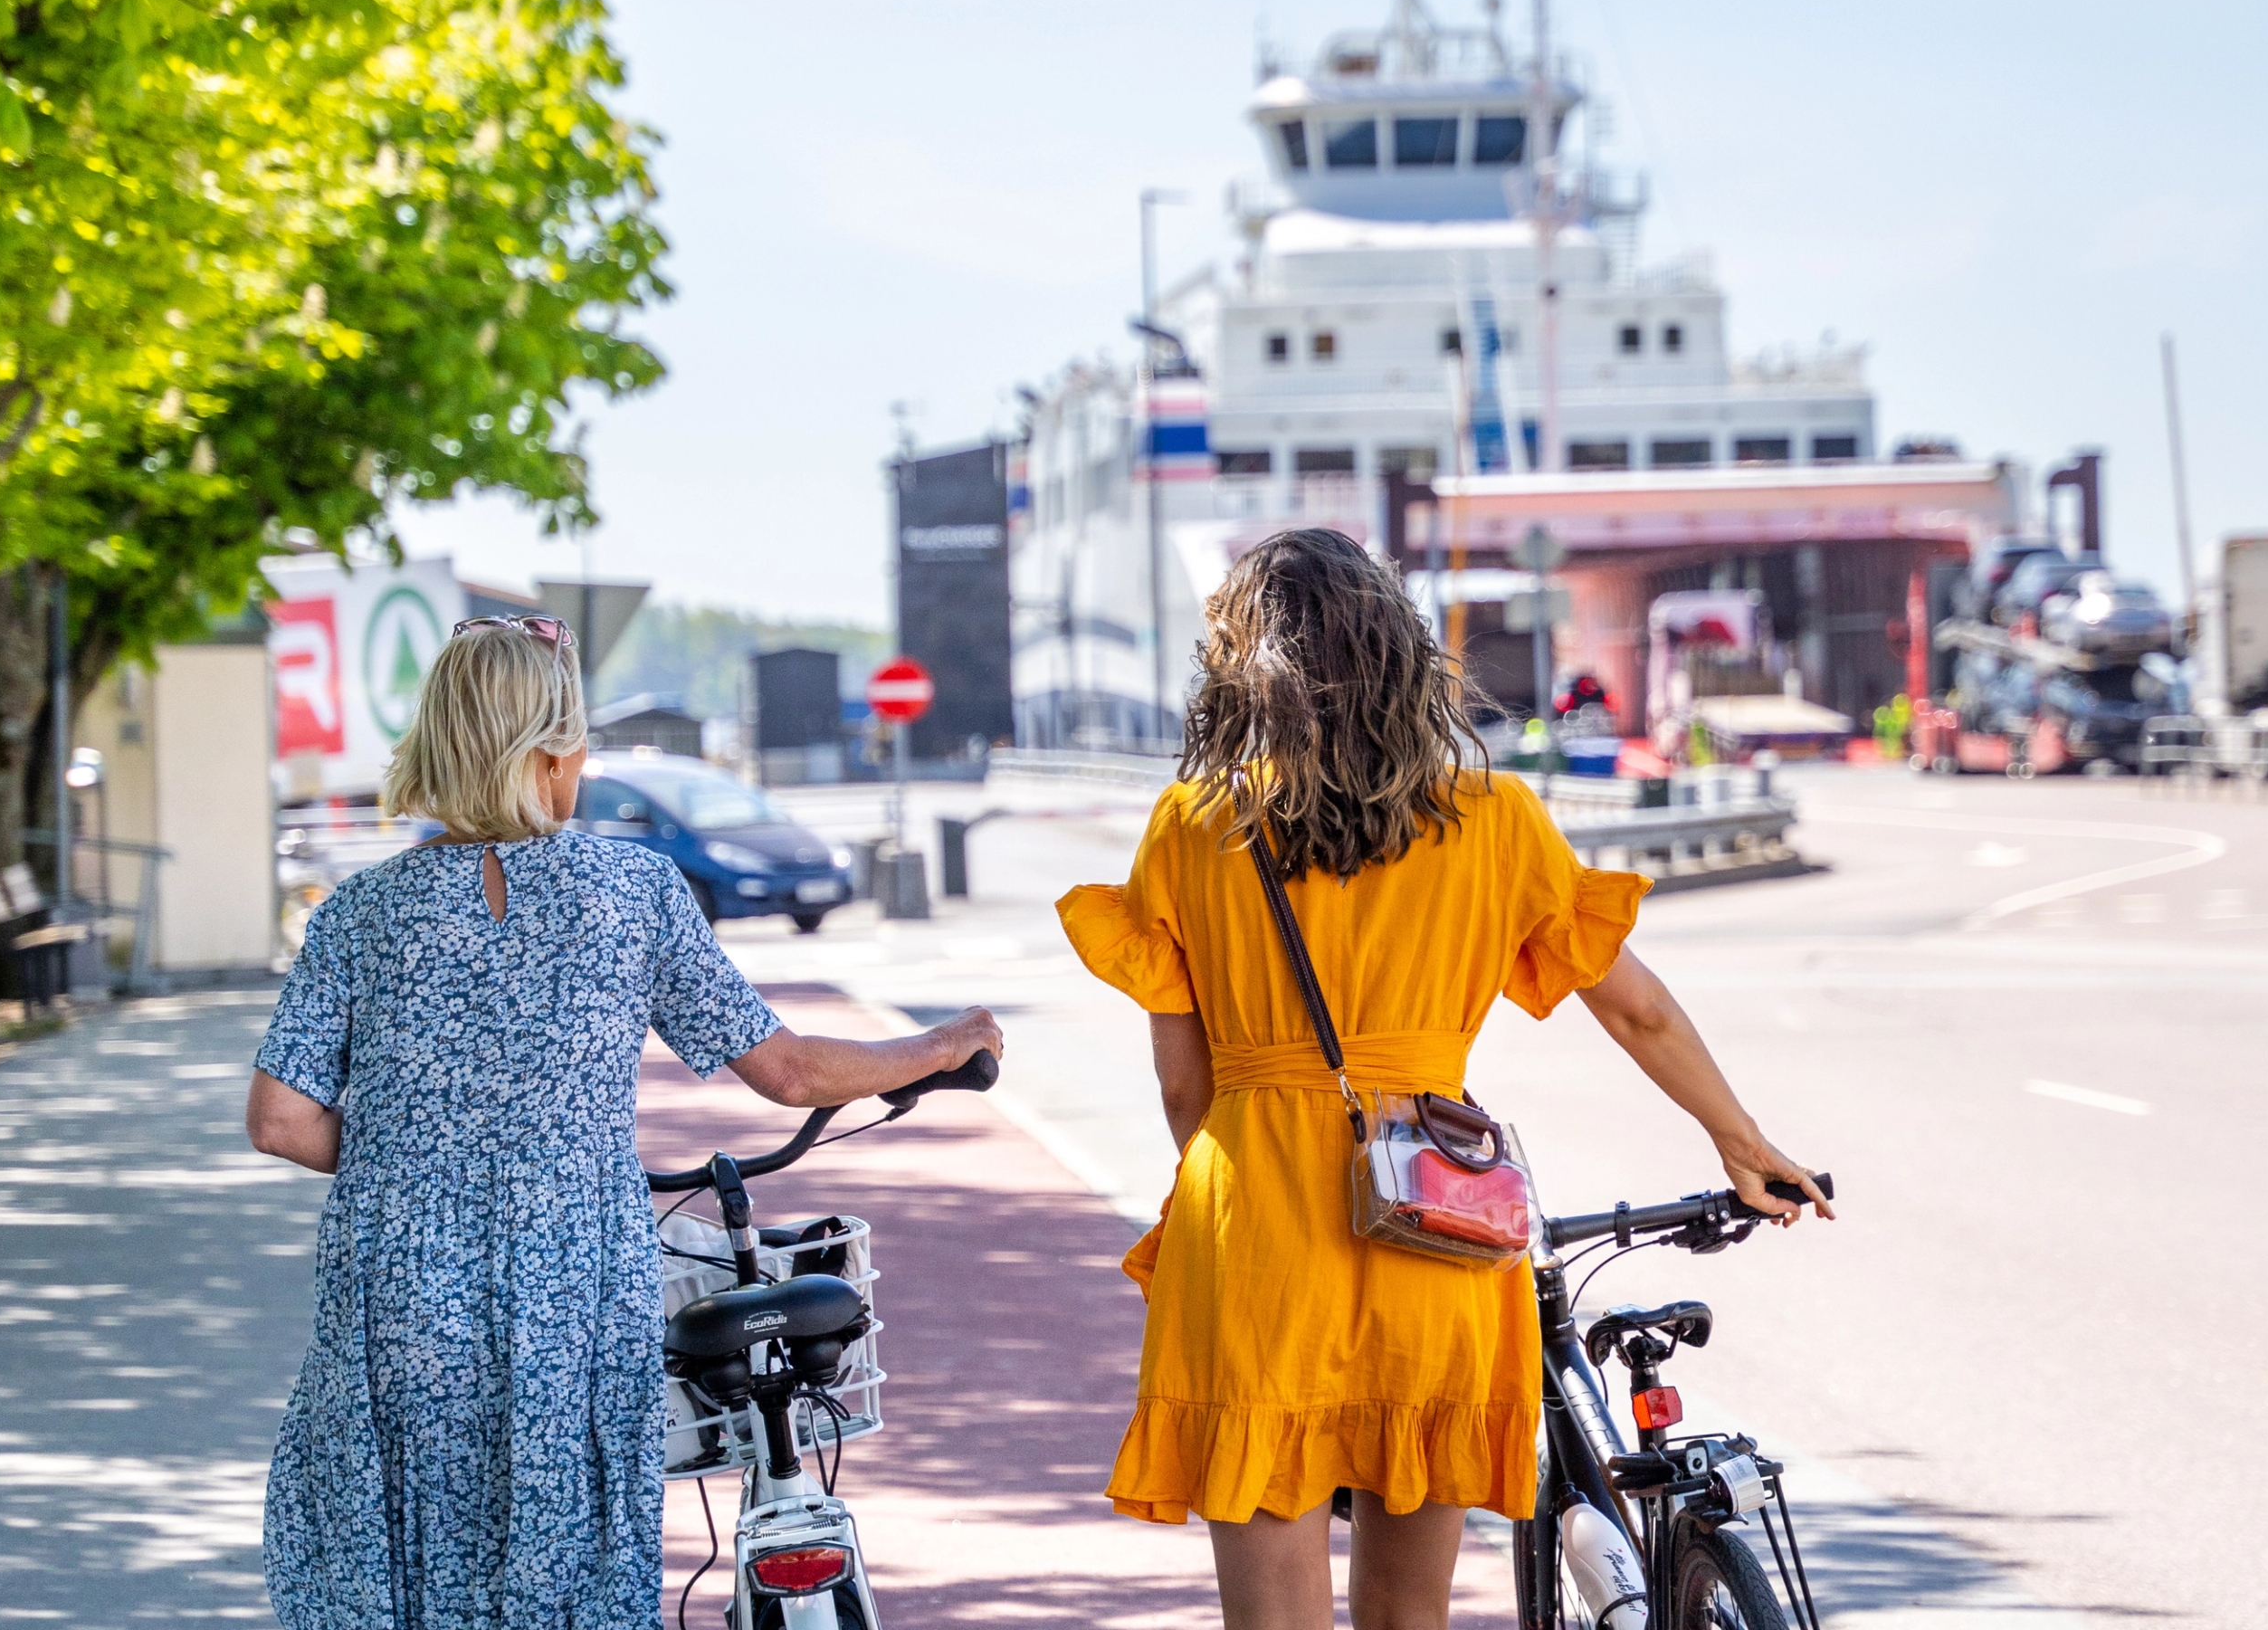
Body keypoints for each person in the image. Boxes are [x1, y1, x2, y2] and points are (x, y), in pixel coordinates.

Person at [1058, 528, 1825, 1630]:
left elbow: (1188, 1097)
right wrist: (1744, 1146)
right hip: (1435, 1215)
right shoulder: (1494, 820)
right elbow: (1639, 1008)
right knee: (1408, 1611)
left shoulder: (1194, 827)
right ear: (1401, 654)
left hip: (1258, 1225)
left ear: (1242, 670)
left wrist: (1254, 1194)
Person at [243, 615, 1001, 1627]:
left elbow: (280, 1121)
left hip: (397, 1302)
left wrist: (424, 1153)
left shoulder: (358, 911)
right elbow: (783, 1070)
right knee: (567, 1571)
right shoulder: (632, 890)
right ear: (551, 753)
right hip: (571, 1298)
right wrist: (937, 1047)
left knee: (402, 1566)